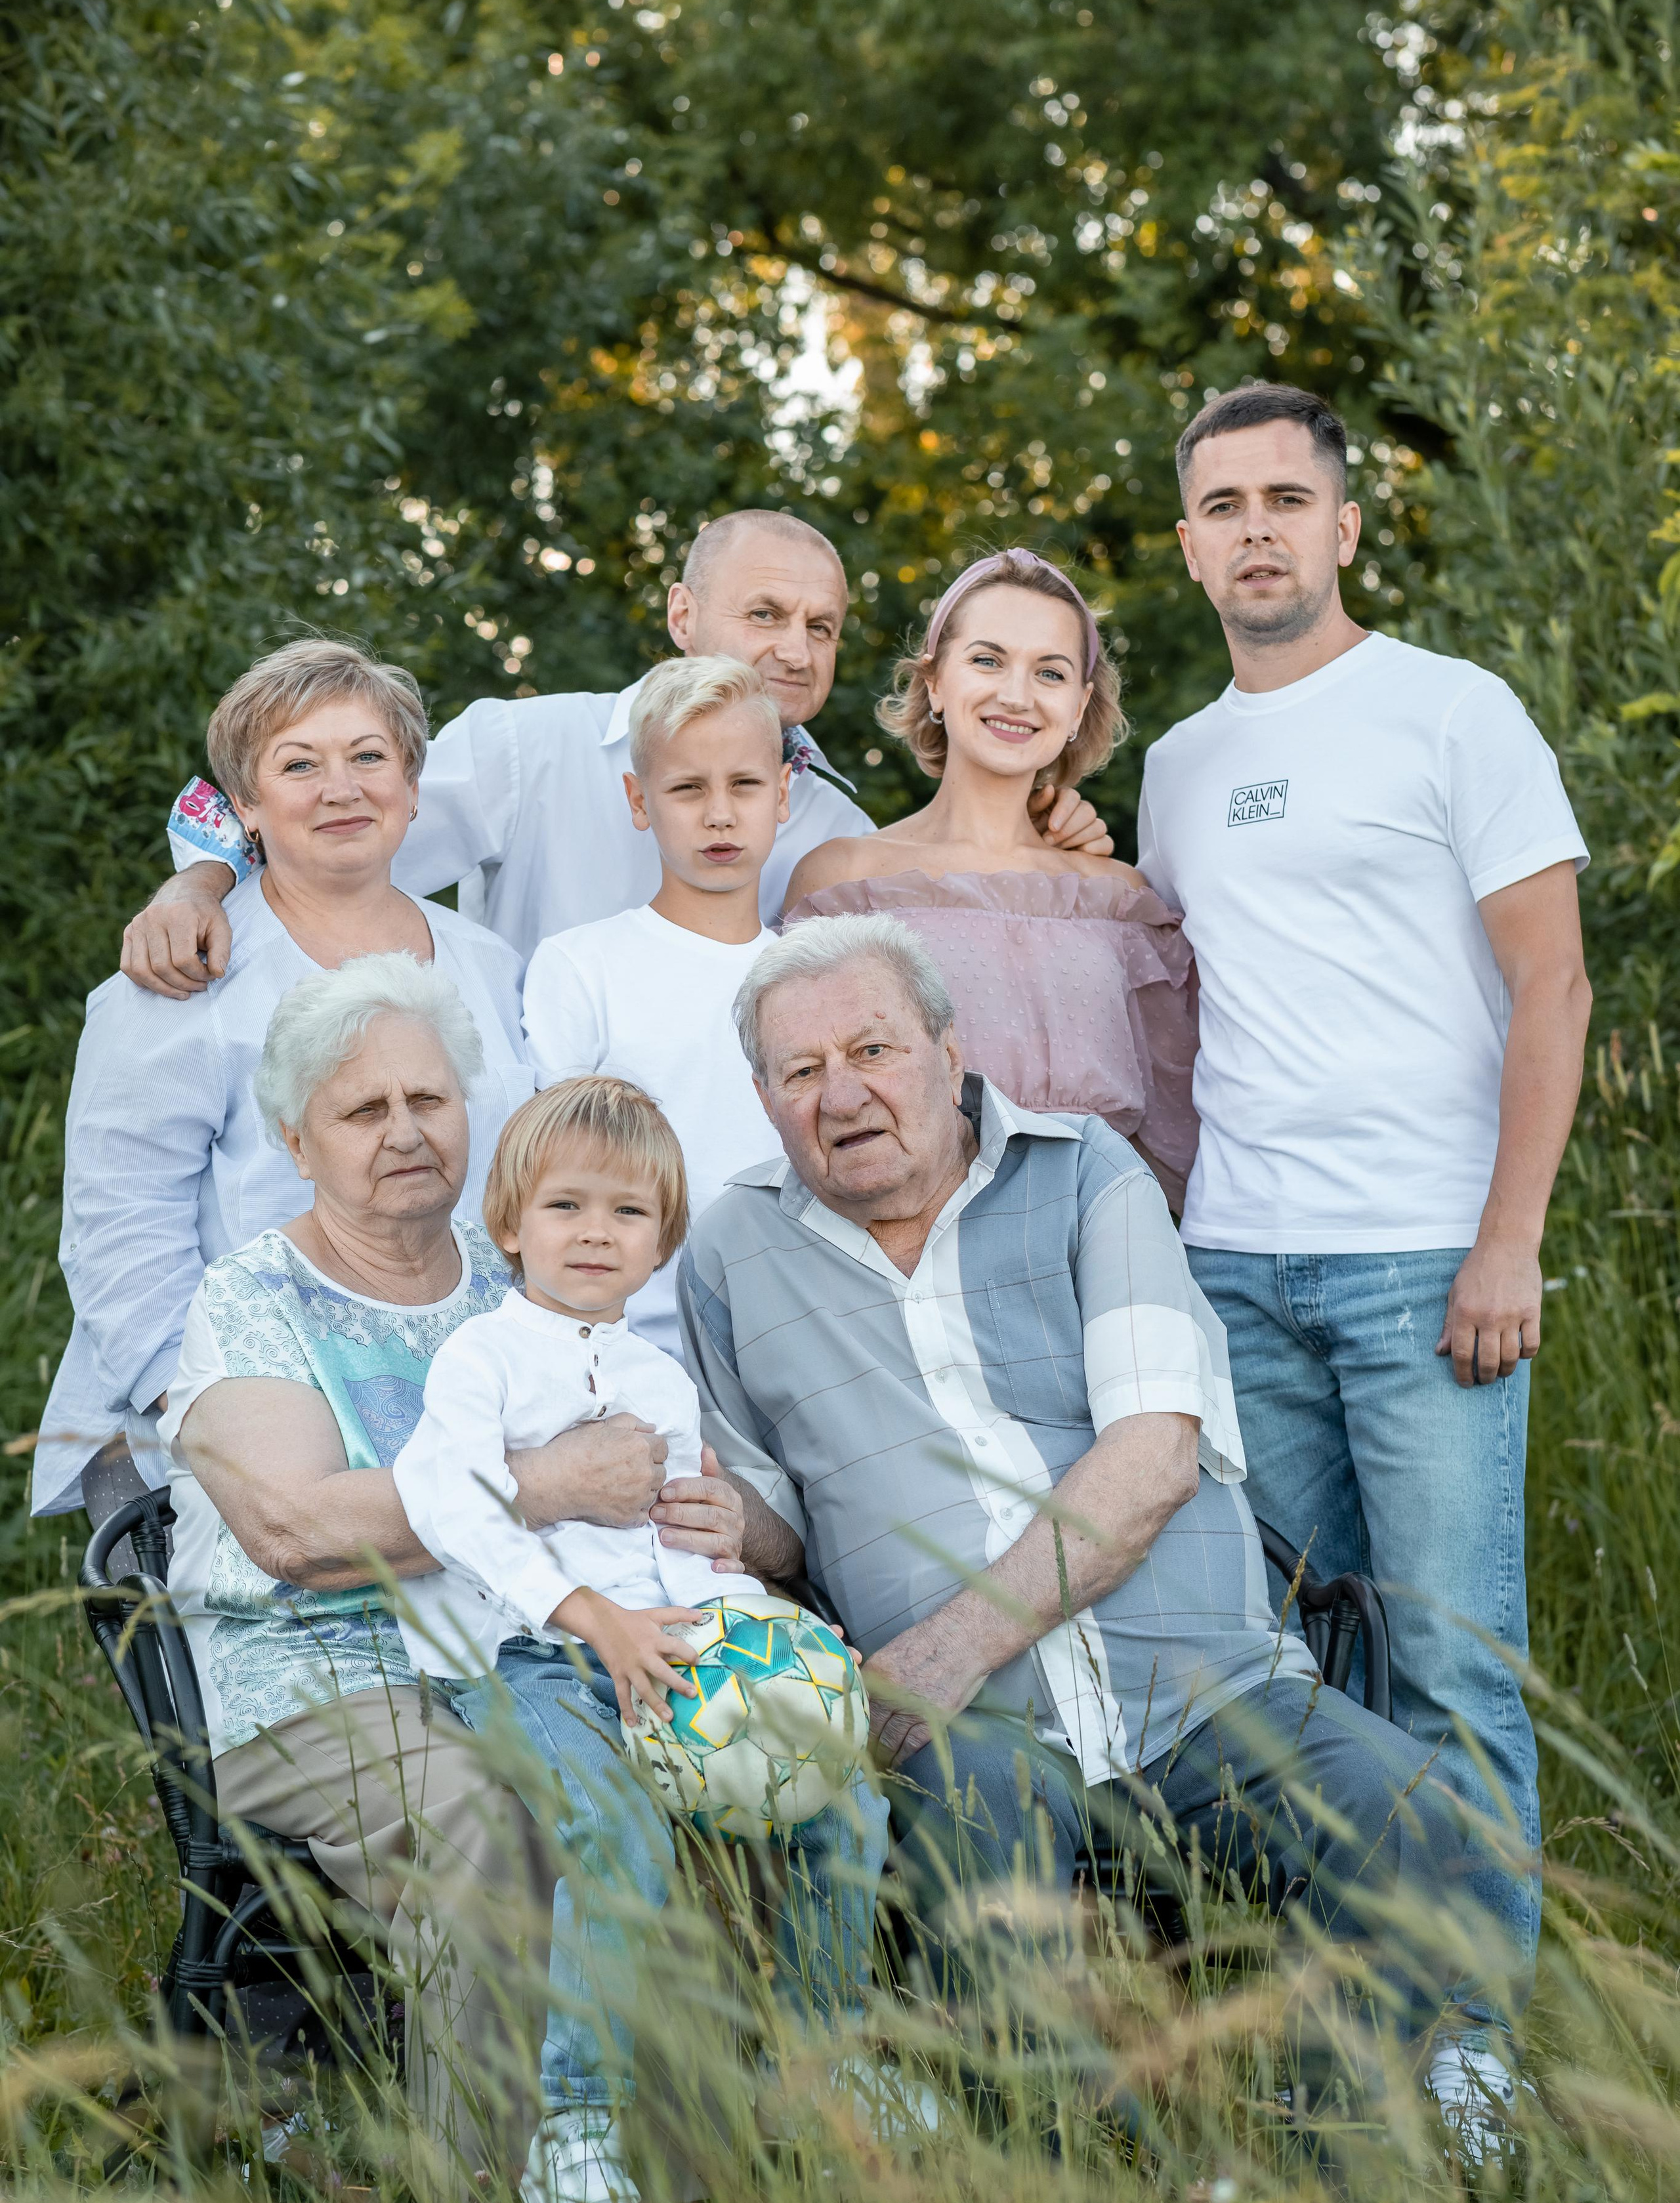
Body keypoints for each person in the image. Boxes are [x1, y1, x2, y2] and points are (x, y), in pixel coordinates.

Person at [677, 913, 1515, 2128]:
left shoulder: (1086, 1175)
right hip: (980, 1739)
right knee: (981, 1843)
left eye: (872, 1050)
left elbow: (1152, 1459)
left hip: (1202, 1690)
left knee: (1410, 1820)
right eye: (800, 1072)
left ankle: (1338, 2156)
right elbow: (782, 1539)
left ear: (946, 1048)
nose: (841, 1093)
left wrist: (946, 1654)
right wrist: (702, 1512)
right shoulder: (730, 1254)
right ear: (762, 1098)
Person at [163, 958, 751, 2203]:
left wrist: (718, 1512)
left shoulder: (524, 1289)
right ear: (293, 1140)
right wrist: (543, 1482)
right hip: (313, 1684)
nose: (405, 1131)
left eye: (427, 1098)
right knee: (480, 1818)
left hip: (524, 1660)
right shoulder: (249, 1300)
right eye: (362, 1111)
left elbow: (660, 1465)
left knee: (688, 1788)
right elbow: (295, 1530)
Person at [1137, 383, 1593, 1984]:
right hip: (1236, 1269)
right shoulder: (1177, 766)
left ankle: (1464, 2045)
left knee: (1449, 1670)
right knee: (1304, 1668)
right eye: (1220, 504)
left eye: (1280, 497)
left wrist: (1507, 1240)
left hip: (1422, 1262)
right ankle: (1351, 2025)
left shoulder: (1450, 710)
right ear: (1187, 548)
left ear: (1339, 525)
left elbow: (1552, 987)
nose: (1251, 527)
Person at [393, 1076, 888, 2203]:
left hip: (667, 1649)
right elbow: (443, 1503)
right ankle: (577, 2134)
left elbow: (684, 1551)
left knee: (844, 1800)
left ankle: (819, 2069)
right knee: (620, 1836)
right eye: (566, 1208)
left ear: (661, 1241)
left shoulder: (661, 1380)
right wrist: (584, 1615)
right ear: (510, 1223)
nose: (594, 1235)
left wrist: (759, 1651)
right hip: (530, 1659)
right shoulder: (483, 1360)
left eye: (627, 1215)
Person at [117, 511, 1115, 999]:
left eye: (822, 624)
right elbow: (310, 829)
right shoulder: (530, 744)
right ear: (684, 614)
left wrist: (1041, 826)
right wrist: (195, 891)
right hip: (516, 1154)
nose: (794, 649)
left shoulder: (836, 828)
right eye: (763, 613)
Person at [33, 637, 534, 1527]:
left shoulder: (488, 965)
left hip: (473, 1406)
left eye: (369, 758)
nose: (342, 789)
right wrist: (212, 1414)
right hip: (261, 1414)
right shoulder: (182, 978)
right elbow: (119, 1230)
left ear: (413, 789)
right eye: (300, 765)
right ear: (246, 810)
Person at [782, 548, 1197, 1211]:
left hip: (1104, 1235)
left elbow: (1179, 1125)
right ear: (935, 681)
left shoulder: (1120, 898)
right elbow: (804, 1092)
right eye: (986, 659)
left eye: (1050, 672)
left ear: (1079, 706)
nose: (1016, 694)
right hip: (914, 1241)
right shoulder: (846, 880)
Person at [520, 654, 789, 1354]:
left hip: (792, 1335)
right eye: (688, 788)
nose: (720, 814)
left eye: (745, 785)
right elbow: (555, 1175)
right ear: (640, 801)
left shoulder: (809, 978)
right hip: (628, 1344)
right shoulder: (580, 966)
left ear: (783, 795)